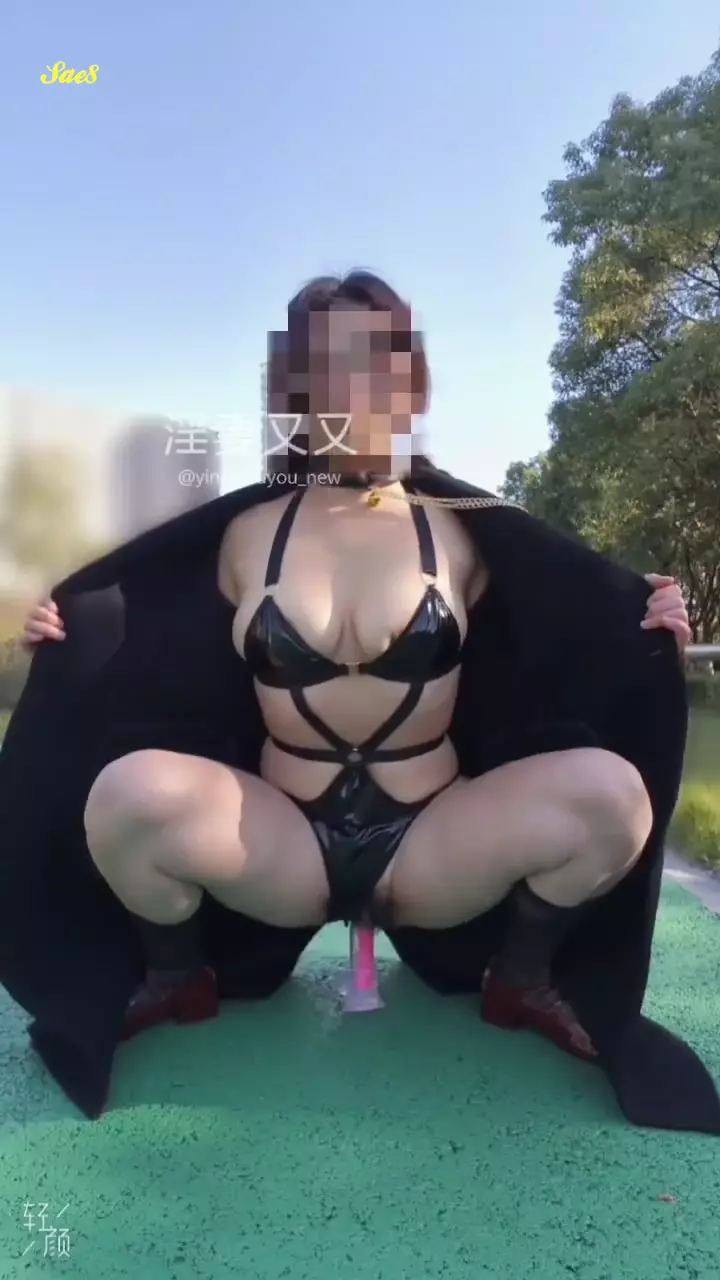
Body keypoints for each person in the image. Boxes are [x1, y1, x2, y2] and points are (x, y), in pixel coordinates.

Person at [0, 271, 717, 1135]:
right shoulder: (242, 534)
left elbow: (570, 624)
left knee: (611, 798)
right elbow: (140, 634)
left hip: (433, 841)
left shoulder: (464, 526)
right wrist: (66, 626)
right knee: (128, 796)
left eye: (379, 358)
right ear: (297, 388)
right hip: (279, 842)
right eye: (330, 363)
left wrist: (650, 620)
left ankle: (524, 979)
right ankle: (175, 976)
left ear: (410, 381)